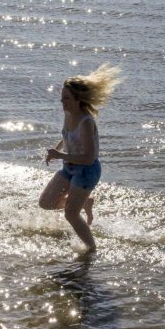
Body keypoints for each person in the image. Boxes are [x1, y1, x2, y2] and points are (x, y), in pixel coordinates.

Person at [38, 63, 121, 252]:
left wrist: (60, 155)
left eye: (66, 99)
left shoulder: (86, 122)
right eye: (61, 98)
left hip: (86, 171)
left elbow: (89, 158)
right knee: (46, 203)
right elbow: (67, 135)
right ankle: (84, 202)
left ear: (78, 99)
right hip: (69, 167)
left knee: (71, 215)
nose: (62, 103)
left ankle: (91, 249)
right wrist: (57, 149)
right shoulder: (68, 113)